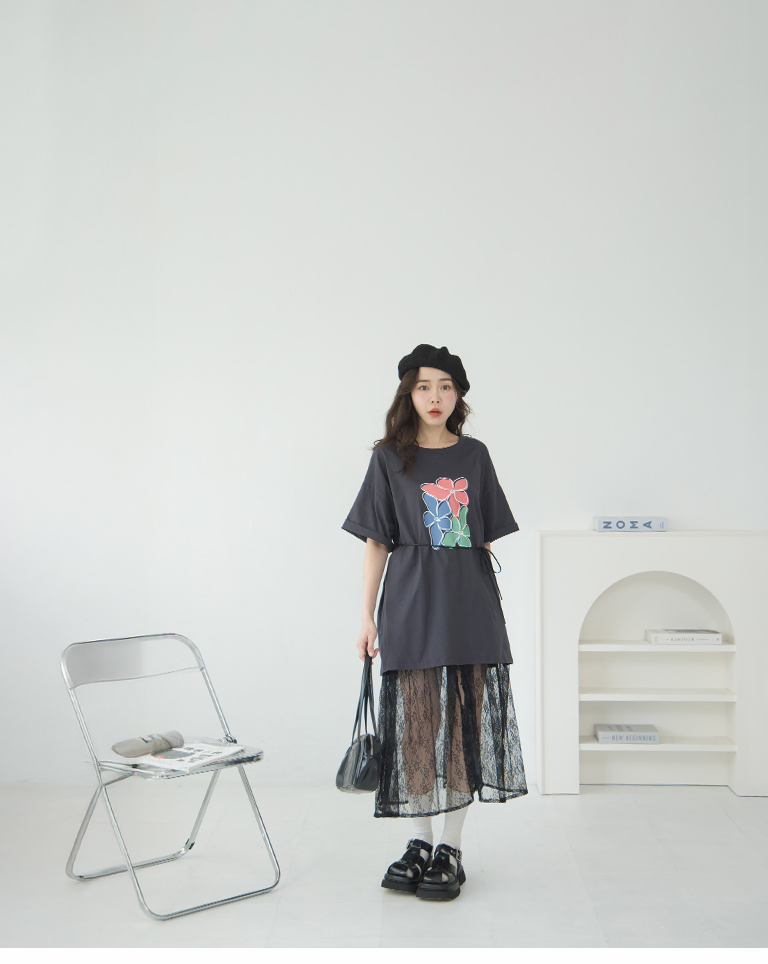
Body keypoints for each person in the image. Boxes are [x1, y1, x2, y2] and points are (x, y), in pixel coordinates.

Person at [341, 343, 528, 902]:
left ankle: (451, 847)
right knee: (414, 726)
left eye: (445, 386)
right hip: (410, 603)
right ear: (409, 393)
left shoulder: (474, 456)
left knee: (463, 726)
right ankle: (419, 841)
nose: (435, 396)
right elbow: (377, 542)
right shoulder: (388, 459)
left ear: (458, 395)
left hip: (468, 605)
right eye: (424, 386)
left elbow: (485, 536)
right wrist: (367, 617)